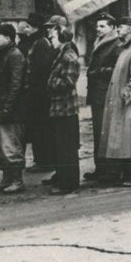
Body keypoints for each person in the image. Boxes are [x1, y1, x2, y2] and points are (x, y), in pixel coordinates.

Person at [99, 18, 131, 187]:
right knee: (121, 139)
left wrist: (125, 96)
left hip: (128, 104)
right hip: (120, 103)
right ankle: (121, 173)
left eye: (121, 27)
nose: (118, 30)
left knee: (129, 139)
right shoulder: (125, 48)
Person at [0, 23, 28, 192]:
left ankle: (17, 180)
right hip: (0, 105)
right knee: (0, 145)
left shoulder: (14, 55)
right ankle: (7, 177)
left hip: (11, 109)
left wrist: (7, 108)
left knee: (10, 144)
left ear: (8, 38)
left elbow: (16, 84)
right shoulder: (3, 54)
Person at [43, 24, 81, 194]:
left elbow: (68, 81)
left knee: (67, 147)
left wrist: (50, 82)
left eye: (52, 36)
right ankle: (63, 177)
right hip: (60, 107)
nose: (50, 39)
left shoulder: (69, 56)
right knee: (60, 145)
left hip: (66, 108)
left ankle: (68, 183)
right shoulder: (61, 54)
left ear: (61, 37)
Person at [84, 13, 120, 183]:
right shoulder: (98, 42)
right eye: (97, 26)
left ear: (112, 27)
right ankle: (100, 168)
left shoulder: (116, 44)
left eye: (102, 26)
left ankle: (109, 171)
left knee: (106, 133)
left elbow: (117, 69)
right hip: (97, 94)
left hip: (106, 94)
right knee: (98, 133)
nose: (98, 30)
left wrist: (97, 72)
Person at [25, 15, 64, 171]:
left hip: (40, 94)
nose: (49, 30)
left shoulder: (41, 44)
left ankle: (45, 161)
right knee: (40, 128)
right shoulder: (40, 42)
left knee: (42, 129)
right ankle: (43, 160)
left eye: (52, 27)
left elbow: (41, 69)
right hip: (38, 93)